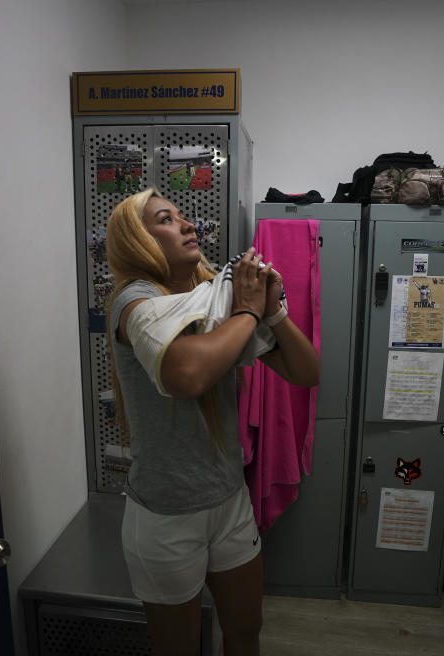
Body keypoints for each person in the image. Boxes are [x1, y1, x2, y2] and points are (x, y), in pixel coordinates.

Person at [105, 187, 320, 656]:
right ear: (137, 240)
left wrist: (274, 309)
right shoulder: (131, 300)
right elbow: (186, 374)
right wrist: (247, 310)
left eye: (183, 216)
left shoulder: (214, 298)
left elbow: (307, 373)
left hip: (227, 498)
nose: (187, 224)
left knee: (245, 630)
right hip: (165, 512)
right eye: (166, 218)